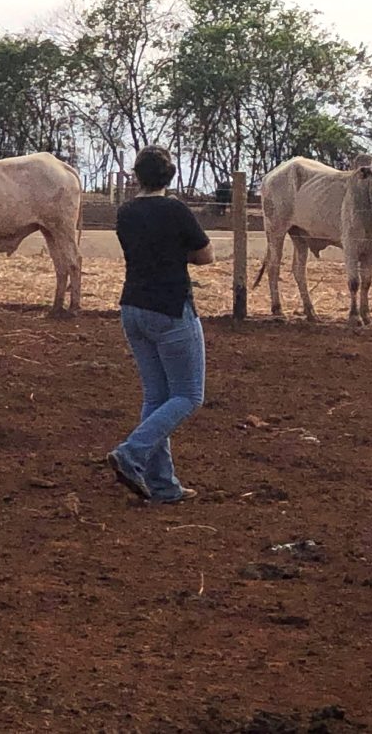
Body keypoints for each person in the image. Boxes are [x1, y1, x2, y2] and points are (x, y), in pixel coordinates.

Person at [107, 145, 214, 503]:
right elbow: (206, 255)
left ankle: (164, 485)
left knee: (157, 395)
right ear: (170, 176)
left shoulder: (125, 213)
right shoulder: (175, 210)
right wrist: (175, 252)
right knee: (188, 395)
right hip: (170, 308)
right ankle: (132, 452)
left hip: (132, 307)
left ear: (137, 176)